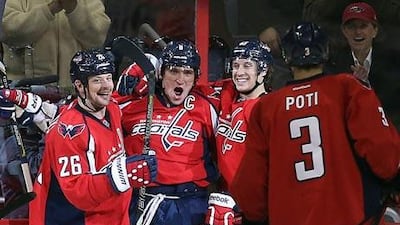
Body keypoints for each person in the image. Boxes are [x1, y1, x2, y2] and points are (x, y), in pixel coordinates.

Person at [230, 22, 400, 225]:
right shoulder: (348, 88)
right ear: (325, 52)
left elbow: (250, 190)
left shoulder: (267, 107)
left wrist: (257, 216)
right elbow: (385, 156)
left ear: (287, 57)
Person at [26, 48, 157, 225]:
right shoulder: (68, 131)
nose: (106, 86)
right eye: (97, 80)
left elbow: (120, 94)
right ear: (80, 86)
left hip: (110, 217)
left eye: (108, 78)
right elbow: (77, 192)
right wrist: (120, 175)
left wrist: (142, 67)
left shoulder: (112, 108)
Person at [115, 39, 219, 225]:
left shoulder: (207, 105)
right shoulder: (133, 103)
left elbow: (241, 93)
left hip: (191, 205)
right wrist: (143, 66)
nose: (180, 79)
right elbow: (94, 108)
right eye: (174, 71)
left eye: (188, 72)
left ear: (196, 77)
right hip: (141, 201)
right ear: (161, 73)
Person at [204, 39, 274, 225]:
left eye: (247, 66)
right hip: (224, 201)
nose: (239, 72)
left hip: (255, 208)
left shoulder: (268, 110)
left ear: (263, 71)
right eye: (235, 65)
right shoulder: (227, 94)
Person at [1, 0, 111, 90]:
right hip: (25, 91)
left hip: (75, 92)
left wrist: (73, 9)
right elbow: (9, 32)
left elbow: (97, 39)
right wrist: (50, 9)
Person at [327, 2, 400, 129]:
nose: (358, 32)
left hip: (389, 128)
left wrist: (365, 87)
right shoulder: (333, 63)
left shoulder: (393, 60)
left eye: (363, 26)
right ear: (344, 31)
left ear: (375, 31)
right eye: (351, 27)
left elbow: (394, 103)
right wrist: (352, 89)